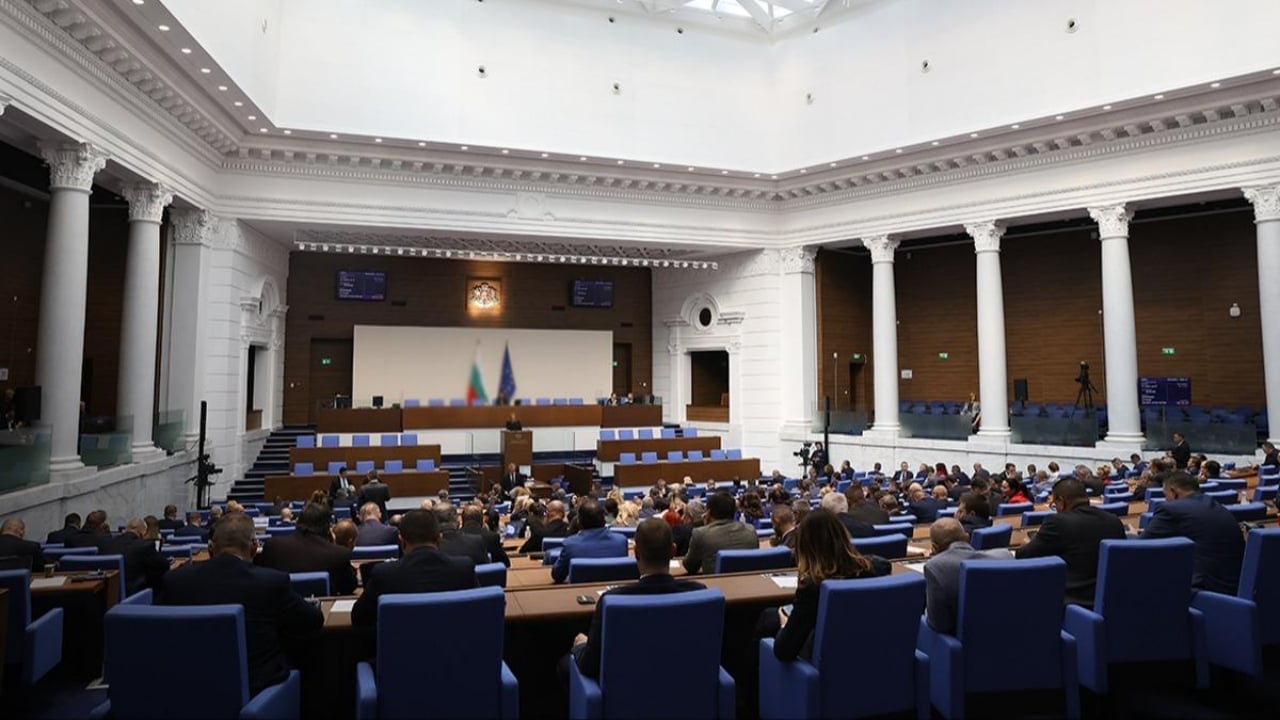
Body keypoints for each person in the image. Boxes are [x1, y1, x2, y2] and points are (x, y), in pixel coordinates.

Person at [158, 513, 322, 695]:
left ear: (211, 548)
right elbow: (313, 620)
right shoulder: (271, 582)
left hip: (187, 689)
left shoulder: (176, 581)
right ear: (254, 547)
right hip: (258, 691)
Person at [568, 518, 706, 679]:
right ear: (673, 551)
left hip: (623, 690)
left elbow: (589, 666)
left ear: (636, 552)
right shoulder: (698, 592)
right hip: (685, 685)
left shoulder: (612, 600)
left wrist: (581, 645)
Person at [765, 509, 890, 661]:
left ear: (804, 545)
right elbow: (882, 564)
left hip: (827, 662)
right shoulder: (877, 567)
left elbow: (784, 651)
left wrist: (784, 625)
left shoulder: (811, 587)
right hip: (875, 654)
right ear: (842, 535)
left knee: (769, 620)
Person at [351, 510, 478, 628]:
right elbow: (479, 611)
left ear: (401, 541)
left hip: (400, 650)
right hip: (456, 649)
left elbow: (358, 619)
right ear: (439, 539)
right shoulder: (464, 568)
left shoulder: (384, 574)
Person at [1015, 478, 1125, 607]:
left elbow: (1024, 555)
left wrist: (1026, 542)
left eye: (1054, 505)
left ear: (1061, 501)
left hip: (1071, 603)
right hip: (1110, 602)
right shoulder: (1114, 521)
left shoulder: (1057, 522)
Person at [1141, 471, 1245, 594]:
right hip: (1236, 584)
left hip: (1205, 591)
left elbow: (1140, 548)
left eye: (1166, 495)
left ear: (1174, 492)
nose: (1166, 499)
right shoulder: (1214, 504)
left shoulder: (1170, 509)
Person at [923, 517, 1013, 634]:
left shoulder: (935, 567)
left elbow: (939, 625)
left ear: (934, 547)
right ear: (967, 538)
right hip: (1007, 634)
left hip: (961, 645)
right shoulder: (1005, 556)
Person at [256, 502, 358, 596]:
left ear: (297, 522)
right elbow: (349, 587)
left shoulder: (272, 546)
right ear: (327, 527)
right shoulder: (339, 553)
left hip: (279, 612)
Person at [683, 492, 760, 575]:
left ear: (708, 513)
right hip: (749, 583)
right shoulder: (751, 530)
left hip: (715, 585)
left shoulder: (700, 533)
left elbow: (689, 566)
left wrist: (706, 527)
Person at [552, 500, 628, 584]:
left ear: (579, 522)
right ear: (604, 520)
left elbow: (557, 575)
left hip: (578, 592)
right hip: (615, 592)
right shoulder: (621, 541)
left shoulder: (570, 544)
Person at [108, 518, 171, 595]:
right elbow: (164, 566)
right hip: (135, 594)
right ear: (143, 532)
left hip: (110, 594)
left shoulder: (109, 543)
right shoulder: (144, 545)